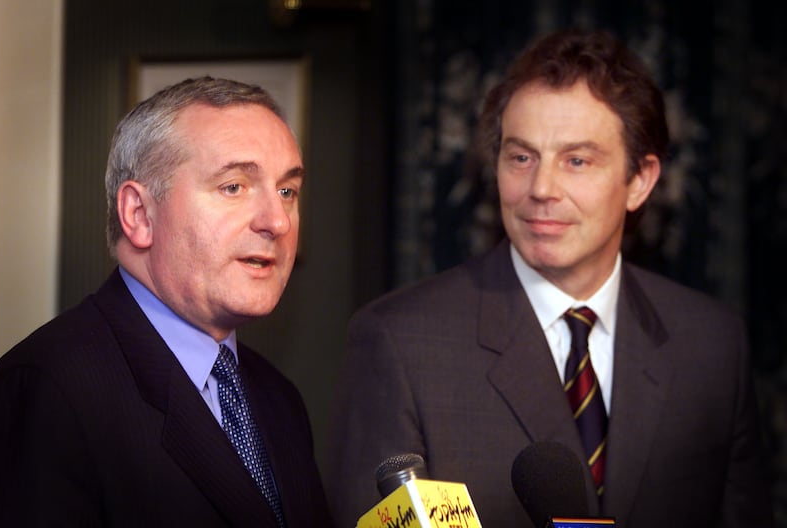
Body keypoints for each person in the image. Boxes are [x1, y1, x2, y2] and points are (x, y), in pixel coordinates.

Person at [325, 29, 773, 527]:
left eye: (576, 161)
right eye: (521, 157)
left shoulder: (711, 344)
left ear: (640, 180)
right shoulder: (399, 343)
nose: (541, 188)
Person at [0, 77, 332, 527]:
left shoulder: (277, 396)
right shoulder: (47, 390)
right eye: (234, 187)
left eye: (287, 192)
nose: (277, 222)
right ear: (139, 215)